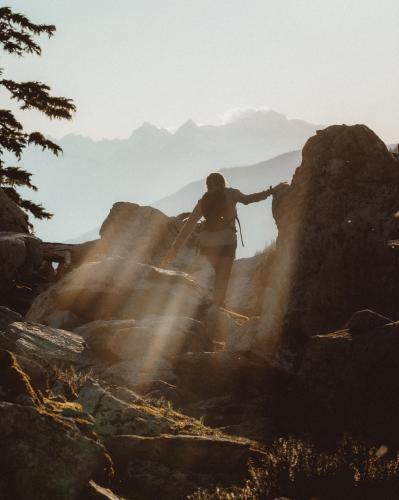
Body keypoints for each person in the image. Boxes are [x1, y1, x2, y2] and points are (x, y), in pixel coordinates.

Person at [161, 172, 283, 307]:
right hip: (227, 242)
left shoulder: (203, 201)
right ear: (223, 182)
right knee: (222, 274)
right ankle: (218, 304)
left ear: (207, 185)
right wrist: (272, 190)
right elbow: (249, 199)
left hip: (207, 245)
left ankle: (215, 303)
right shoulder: (231, 193)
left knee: (217, 272)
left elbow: (189, 225)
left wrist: (174, 249)